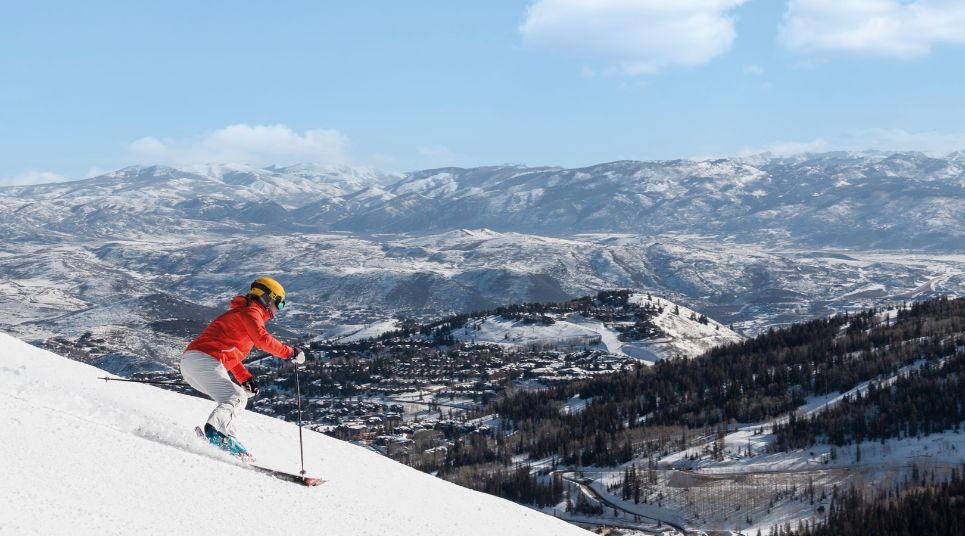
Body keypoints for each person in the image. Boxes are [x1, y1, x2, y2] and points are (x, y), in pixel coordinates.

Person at [180, 277, 307, 455]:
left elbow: (230, 354)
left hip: (194, 362)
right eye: (278, 304)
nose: (278, 311)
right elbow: (262, 340)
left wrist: (244, 378)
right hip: (204, 360)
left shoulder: (243, 314)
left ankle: (225, 438)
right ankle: (217, 432)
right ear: (267, 298)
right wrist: (290, 352)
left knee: (235, 397)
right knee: (236, 396)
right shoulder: (250, 312)